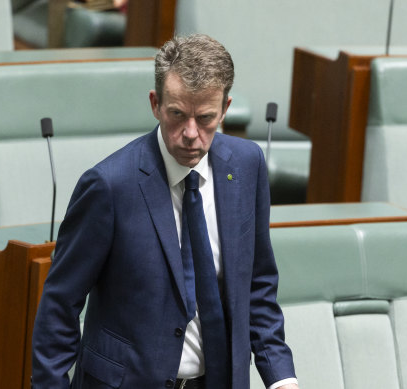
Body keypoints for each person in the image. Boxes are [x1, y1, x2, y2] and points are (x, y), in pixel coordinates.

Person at [32, 34, 298, 389]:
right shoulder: (109, 186)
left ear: (225, 108)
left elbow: (258, 286)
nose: (191, 133)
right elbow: (60, 305)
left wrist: (281, 378)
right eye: (177, 115)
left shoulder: (247, 167)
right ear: (155, 103)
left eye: (205, 118)